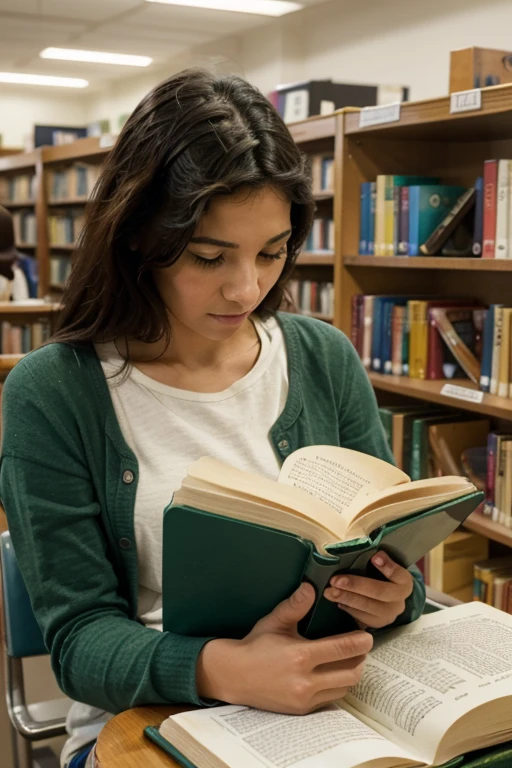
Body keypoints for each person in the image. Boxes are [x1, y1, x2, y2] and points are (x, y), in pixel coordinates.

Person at [0, 68, 425, 767]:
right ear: (140, 236)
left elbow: (389, 550)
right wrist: (224, 669)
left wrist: (394, 598)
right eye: (209, 256)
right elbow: (79, 641)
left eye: (272, 251)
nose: (247, 287)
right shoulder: (56, 392)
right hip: (149, 719)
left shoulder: (324, 357)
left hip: (335, 706)